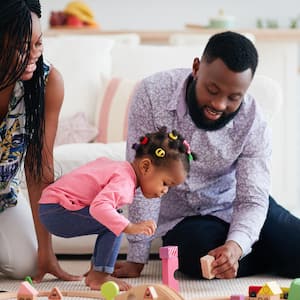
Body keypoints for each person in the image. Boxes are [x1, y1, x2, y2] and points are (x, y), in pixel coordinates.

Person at [113, 31, 300, 280]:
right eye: (212, 90)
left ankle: (252, 251)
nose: (219, 105)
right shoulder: (151, 94)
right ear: (196, 68)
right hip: (185, 220)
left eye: (234, 97)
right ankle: (268, 256)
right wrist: (137, 256)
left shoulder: (253, 121)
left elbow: (252, 200)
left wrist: (237, 245)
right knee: (195, 255)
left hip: (232, 204)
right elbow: (144, 180)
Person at [38, 126, 196, 290]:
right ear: (146, 166)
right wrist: (130, 227)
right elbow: (99, 208)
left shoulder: (119, 169)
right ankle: (99, 276)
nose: (165, 191)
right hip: (58, 210)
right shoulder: (125, 182)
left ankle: (97, 270)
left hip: (51, 206)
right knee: (115, 224)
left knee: (114, 219)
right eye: (165, 183)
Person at [0, 0, 82, 281]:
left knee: (27, 266)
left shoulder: (47, 83)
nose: (34, 54)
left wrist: (47, 253)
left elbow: (38, 170)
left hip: (4, 198)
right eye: (23, 46)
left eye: (38, 43)